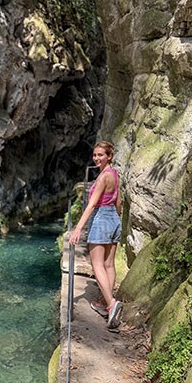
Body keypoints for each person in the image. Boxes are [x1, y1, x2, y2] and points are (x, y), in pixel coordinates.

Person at [69, 141, 123, 331]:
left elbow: (92, 204)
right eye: (95, 155)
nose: (96, 158)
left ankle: (111, 304)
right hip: (114, 218)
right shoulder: (114, 174)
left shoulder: (102, 178)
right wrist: (116, 220)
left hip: (101, 218)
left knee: (97, 264)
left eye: (101, 155)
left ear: (109, 156)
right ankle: (104, 302)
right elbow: (118, 201)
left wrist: (78, 229)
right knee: (109, 264)